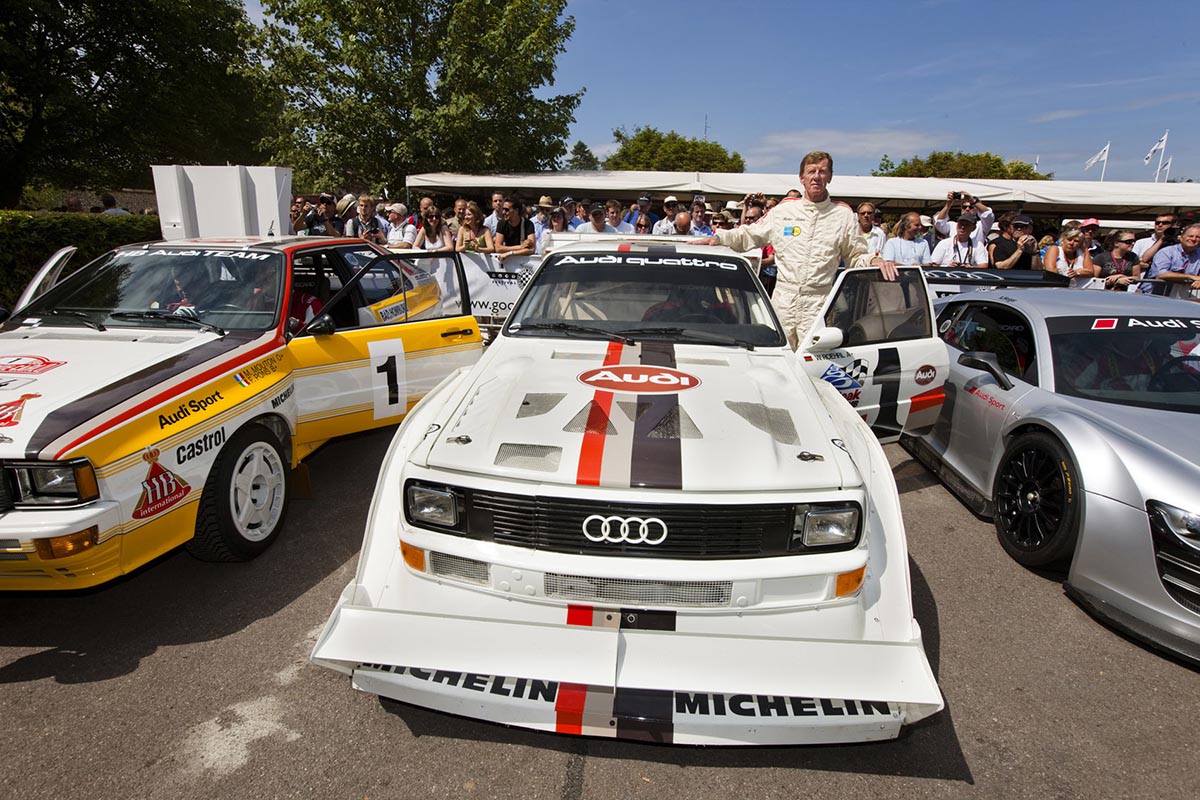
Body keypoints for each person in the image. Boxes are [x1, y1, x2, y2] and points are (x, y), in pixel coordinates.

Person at [693, 151, 894, 348]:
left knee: (813, 362)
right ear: (802, 178)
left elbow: (856, 255)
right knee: (778, 359)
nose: (816, 177)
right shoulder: (783, 211)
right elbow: (749, 234)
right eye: (811, 171)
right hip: (783, 300)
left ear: (830, 177)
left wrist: (874, 261)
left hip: (819, 303)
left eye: (822, 171)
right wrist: (719, 238)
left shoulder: (843, 215)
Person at [1145, 223, 1200, 295]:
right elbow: (1161, 274)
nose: (1193, 239)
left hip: (1188, 298)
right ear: (1181, 237)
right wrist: (1191, 277)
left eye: (1198, 237)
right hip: (1161, 296)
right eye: (1190, 236)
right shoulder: (1166, 252)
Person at [494, 198, 536, 263]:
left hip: (523, 262)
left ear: (516, 210)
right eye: (503, 209)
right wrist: (520, 247)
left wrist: (510, 253)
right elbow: (498, 248)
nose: (503, 212)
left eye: (507, 210)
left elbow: (531, 249)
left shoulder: (528, 224)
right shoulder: (501, 224)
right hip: (507, 262)